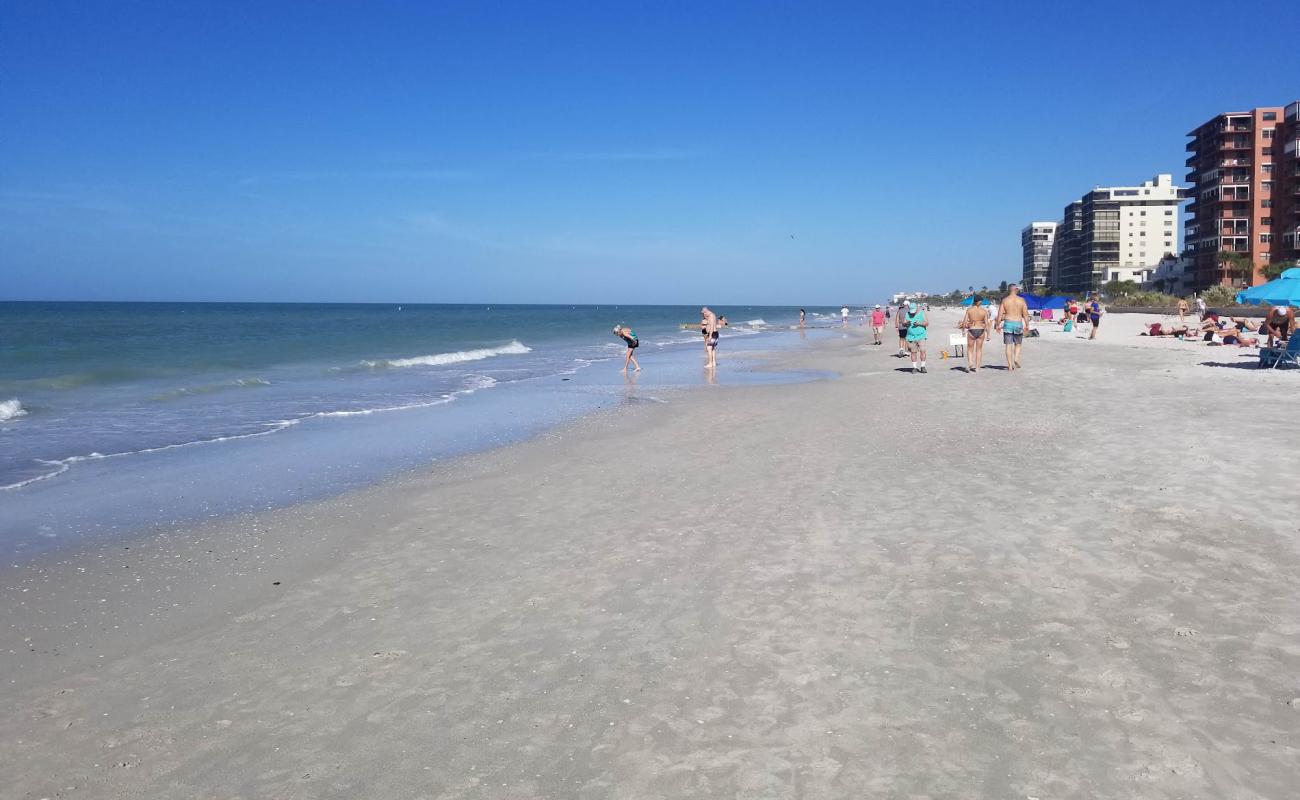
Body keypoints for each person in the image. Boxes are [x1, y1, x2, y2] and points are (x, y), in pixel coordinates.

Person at [998, 284, 1031, 370]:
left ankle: (1009, 366)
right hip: (1018, 323)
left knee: (1008, 345)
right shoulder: (1021, 300)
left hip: (1008, 323)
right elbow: (1025, 314)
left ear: (1009, 290)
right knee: (1018, 344)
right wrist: (1027, 325)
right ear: (1016, 289)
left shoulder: (1005, 300)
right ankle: (1016, 359)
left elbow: (1000, 314)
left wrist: (997, 325)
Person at [959, 296, 990, 372]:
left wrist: (963, 331)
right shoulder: (984, 311)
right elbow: (986, 324)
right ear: (980, 302)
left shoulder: (969, 310)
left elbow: (965, 322)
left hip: (972, 329)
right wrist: (988, 334)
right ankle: (977, 368)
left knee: (970, 349)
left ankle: (970, 363)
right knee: (979, 349)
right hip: (981, 330)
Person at [904, 301, 928, 373]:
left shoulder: (922, 313)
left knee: (922, 351)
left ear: (917, 308)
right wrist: (906, 323)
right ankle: (914, 367)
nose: (912, 313)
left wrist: (919, 324)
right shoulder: (907, 314)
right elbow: (904, 323)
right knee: (913, 352)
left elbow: (927, 323)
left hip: (921, 336)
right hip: (911, 336)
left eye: (914, 311)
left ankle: (923, 367)